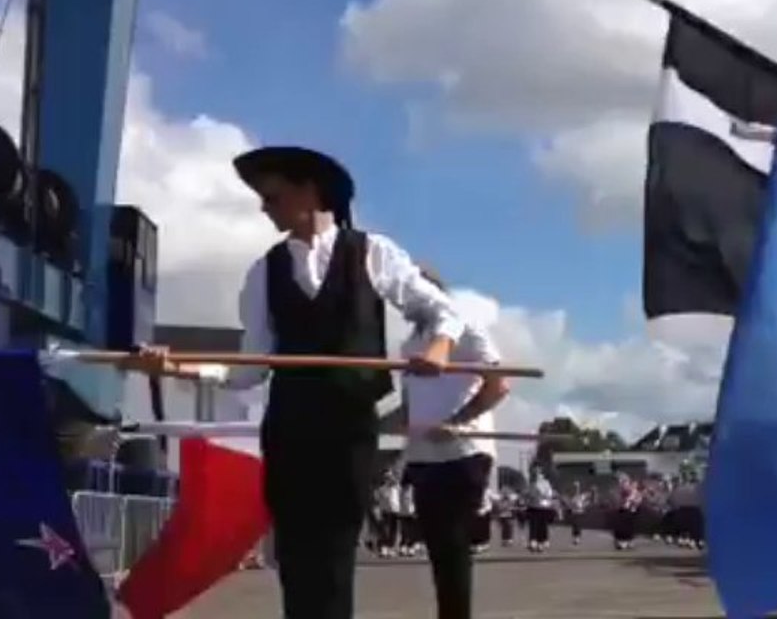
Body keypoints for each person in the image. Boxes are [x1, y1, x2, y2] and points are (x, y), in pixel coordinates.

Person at [127, 145, 466, 619]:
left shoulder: (373, 253)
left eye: (272, 196)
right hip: (290, 431)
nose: (264, 208)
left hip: (349, 431)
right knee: (297, 558)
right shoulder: (264, 271)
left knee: (335, 554)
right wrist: (175, 369)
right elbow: (249, 369)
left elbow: (441, 310)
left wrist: (439, 346)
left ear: (309, 191)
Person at [380, 266, 509, 619]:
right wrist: (366, 425)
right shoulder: (410, 345)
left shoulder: (465, 328)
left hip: (463, 453)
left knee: (452, 547)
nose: (402, 304)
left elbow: (498, 385)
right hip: (423, 458)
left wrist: (458, 421)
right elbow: (409, 409)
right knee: (439, 550)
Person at [523, 468, 557, 553]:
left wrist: (543, 495)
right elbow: (527, 494)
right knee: (533, 525)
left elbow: (549, 494)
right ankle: (533, 541)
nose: (537, 475)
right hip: (533, 506)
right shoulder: (531, 483)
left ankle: (540, 542)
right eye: (535, 473)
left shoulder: (545, 483)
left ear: (541, 474)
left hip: (543, 506)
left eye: (538, 473)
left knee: (542, 525)